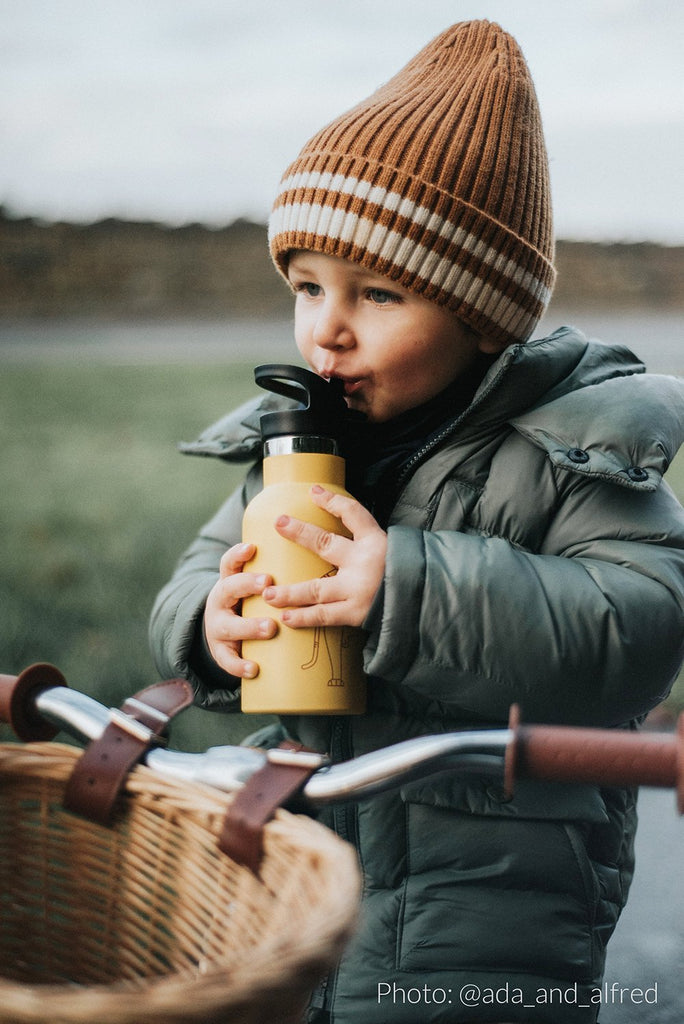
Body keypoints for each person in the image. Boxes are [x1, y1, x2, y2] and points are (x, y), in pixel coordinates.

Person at [150, 20, 684, 1024]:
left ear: (483, 314)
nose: (325, 327)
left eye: (377, 292)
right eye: (306, 287)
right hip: (298, 866)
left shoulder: (573, 448)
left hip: (487, 896)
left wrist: (408, 584)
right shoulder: (302, 447)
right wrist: (209, 624)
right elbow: (202, 568)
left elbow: (643, 618)